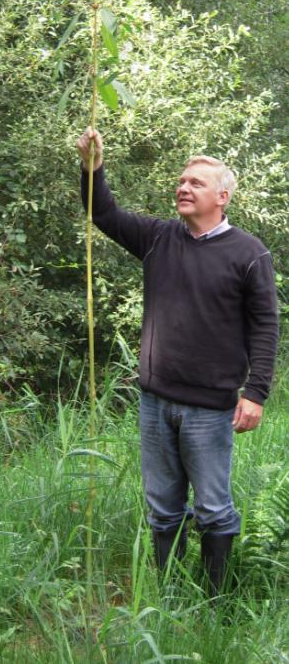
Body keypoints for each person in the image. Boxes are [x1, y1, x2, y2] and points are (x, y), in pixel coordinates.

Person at [77, 127, 279, 595]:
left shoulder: (249, 254)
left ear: (222, 196)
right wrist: (92, 168)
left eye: (196, 183)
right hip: (154, 402)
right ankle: (169, 596)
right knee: (163, 507)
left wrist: (256, 394)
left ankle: (216, 604)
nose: (183, 187)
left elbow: (266, 326)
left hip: (210, 408)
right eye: (182, 181)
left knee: (212, 508)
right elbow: (102, 212)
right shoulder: (157, 238)